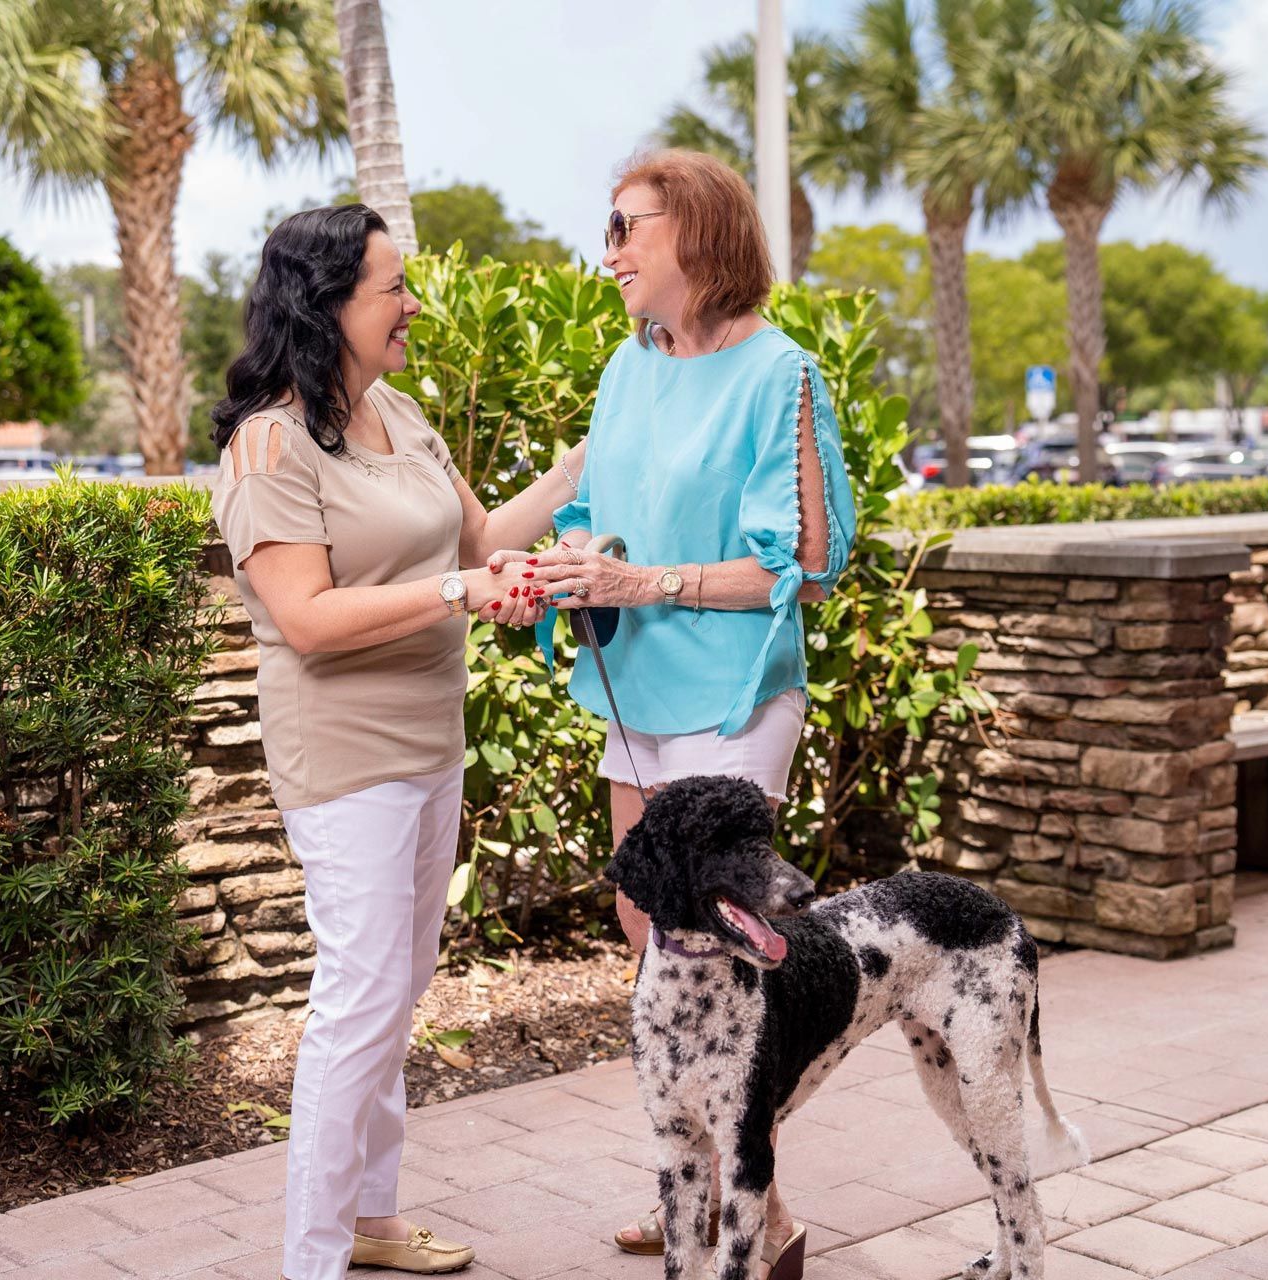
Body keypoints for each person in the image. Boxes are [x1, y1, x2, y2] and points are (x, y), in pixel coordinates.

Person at [209, 204, 582, 1280]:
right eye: (393, 288)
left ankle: (371, 1218)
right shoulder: (268, 441)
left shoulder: (401, 412)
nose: (413, 305)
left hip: (430, 742)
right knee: (361, 992)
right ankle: (313, 1259)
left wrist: (573, 472)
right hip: (345, 755)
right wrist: (462, 590)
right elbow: (310, 620)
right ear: (326, 306)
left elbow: (481, 540)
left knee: (401, 978)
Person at [508, 150, 855, 1280]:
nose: (606, 251)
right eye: (605, 228)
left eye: (625, 228)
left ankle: (761, 1209)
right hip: (636, 682)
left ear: (695, 235)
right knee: (643, 924)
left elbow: (804, 567)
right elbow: (610, 512)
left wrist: (641, 582)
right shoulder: (624, 368)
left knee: (717, 946)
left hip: (737, 688)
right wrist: (581, 560)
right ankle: (696, 1185)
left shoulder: (782, 374)